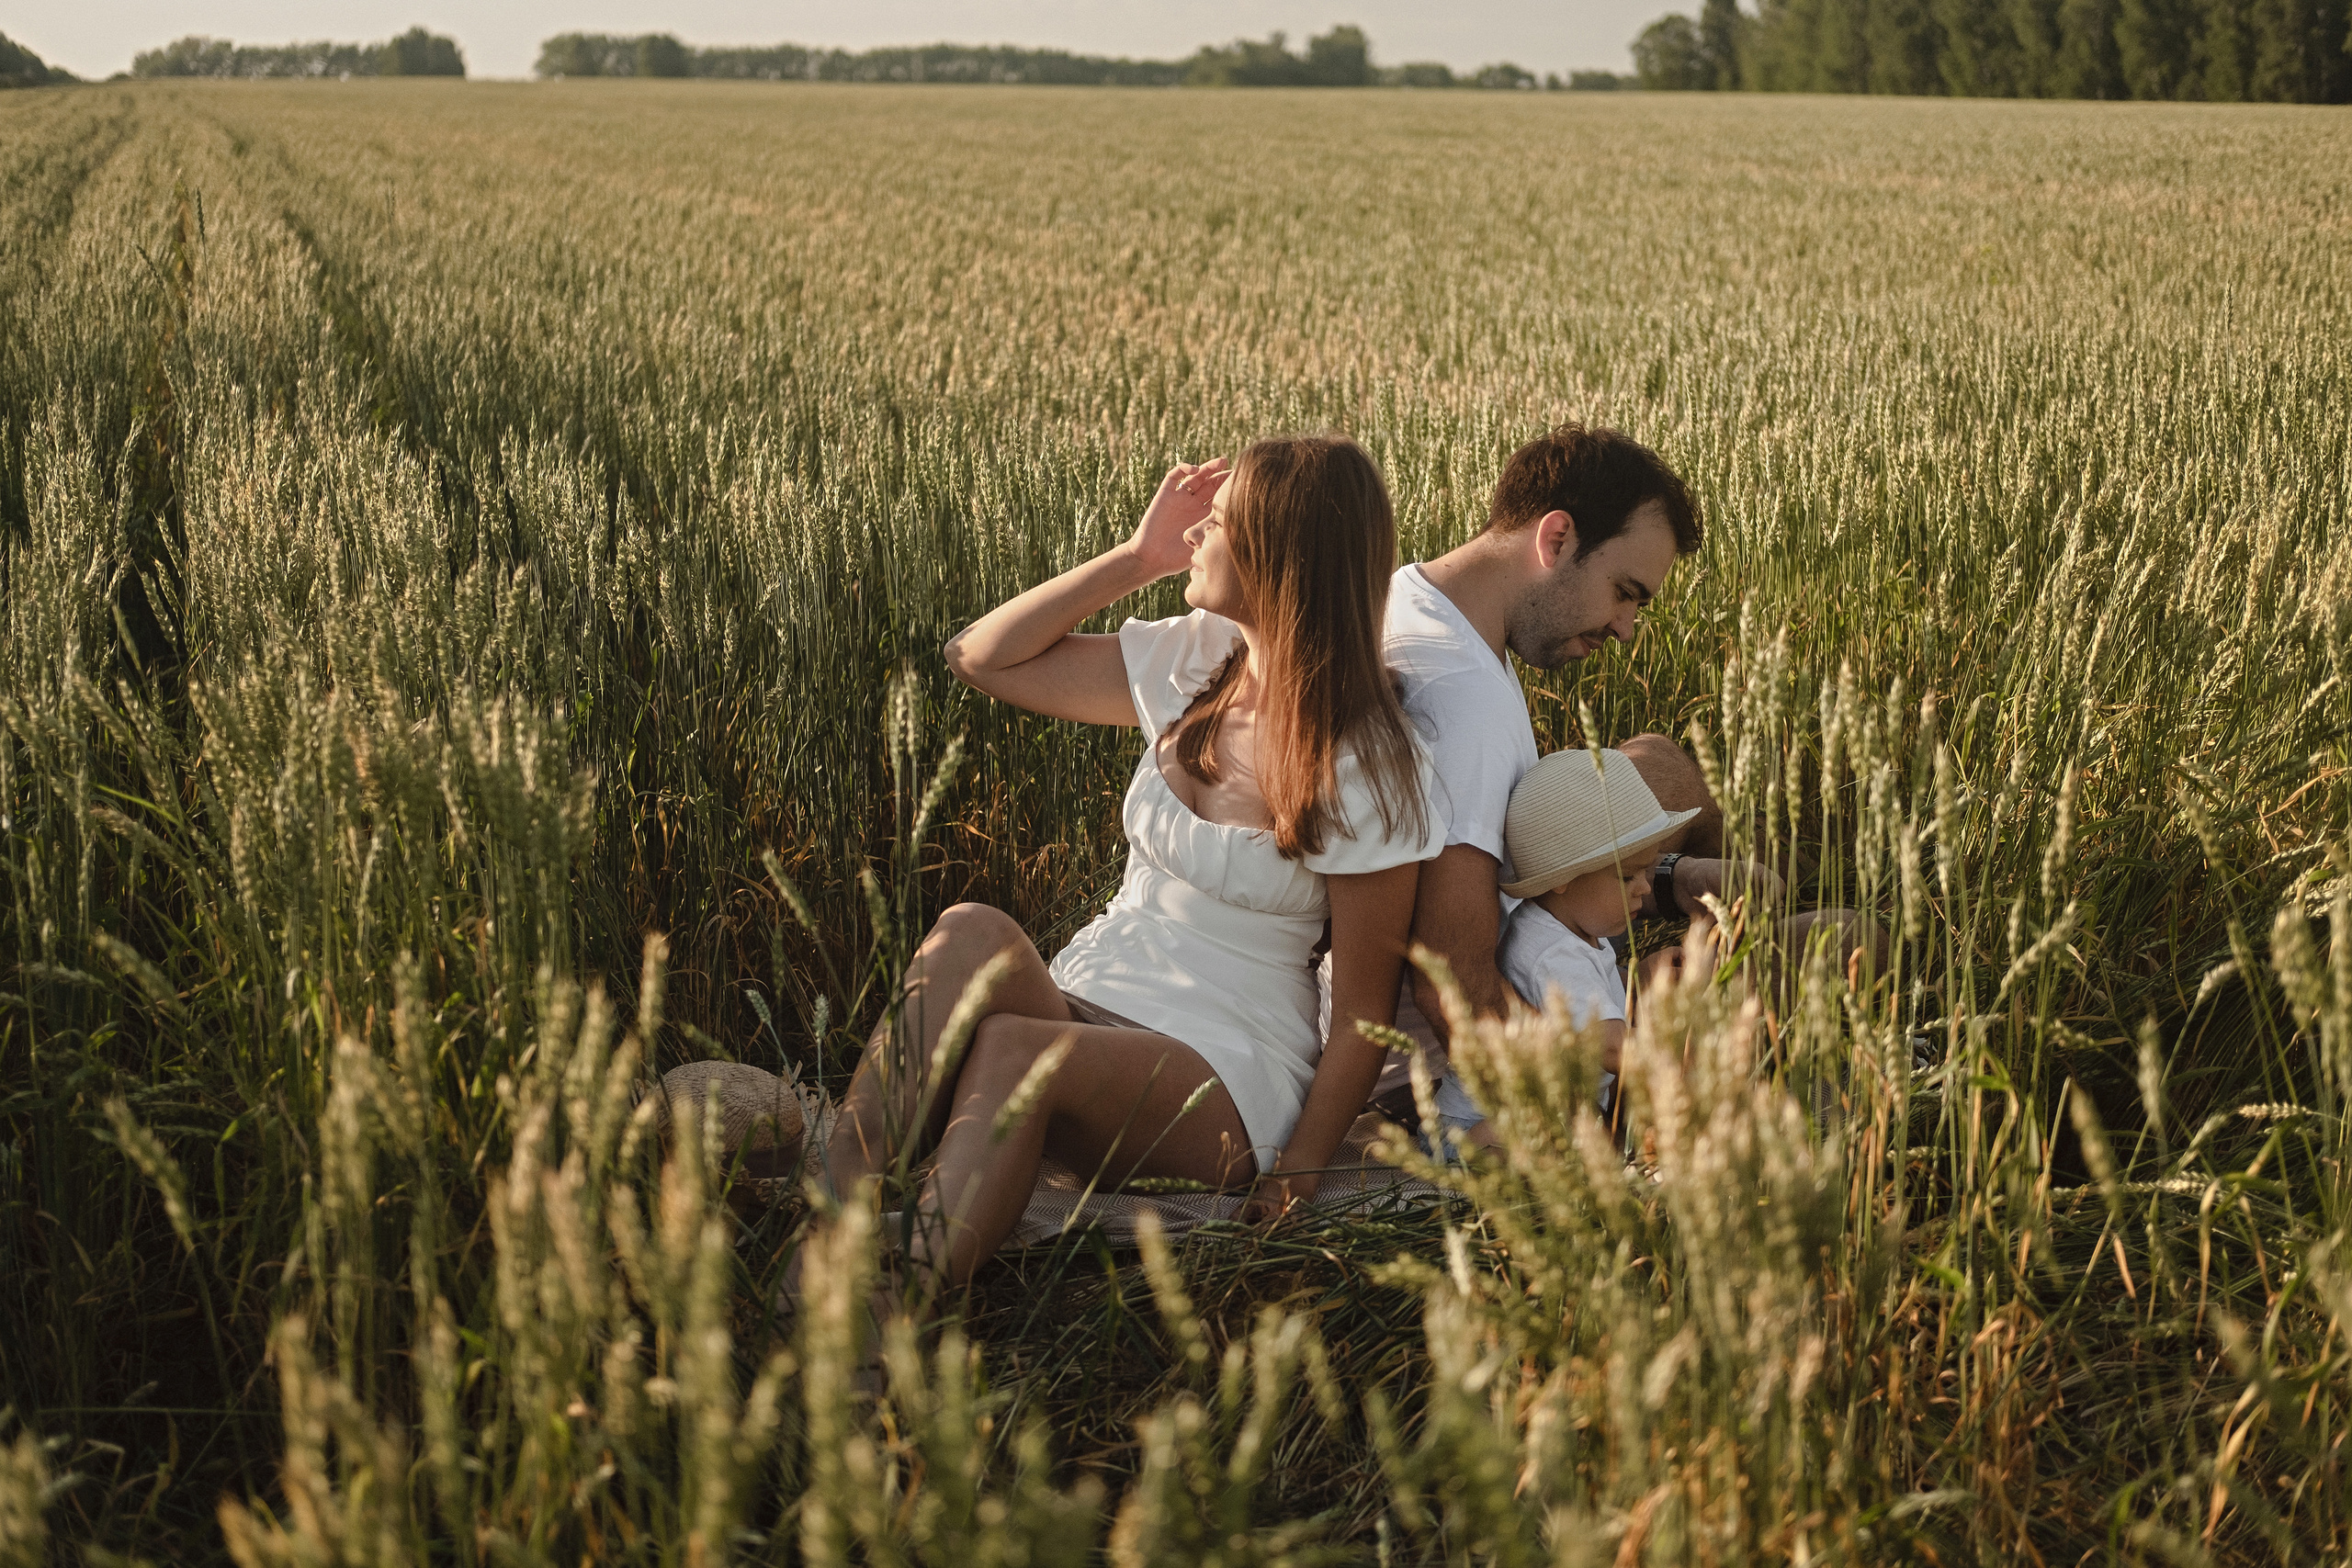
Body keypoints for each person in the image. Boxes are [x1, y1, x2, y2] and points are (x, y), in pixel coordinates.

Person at [817, 434, 1442, 1290]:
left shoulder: (1362, 759)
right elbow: (980, 657)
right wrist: (1134, 556)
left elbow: (1365, 1008)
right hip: (1094, 990)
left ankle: (893, 1313)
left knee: (1012, 1051)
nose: (1194, 536)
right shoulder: (1200, 661)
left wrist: (1298, 1171)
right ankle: (827, 1225)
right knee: (969, 929)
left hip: (1226, 1063)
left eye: (1213, 525)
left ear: (1274, 552)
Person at [1371, 424, 1763, 1092]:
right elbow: (1460, 996)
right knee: (1835, 948)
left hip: (1556, 912)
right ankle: (1759, 927)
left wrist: (1662, 874)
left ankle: (1716, 893)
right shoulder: (1462, 708)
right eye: (1625, 591)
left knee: (1663, 762)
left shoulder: (1408, 595)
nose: (1625, 627)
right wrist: (1644, 1079)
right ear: (1556, 539)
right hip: (1512, 1005)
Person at [1429, 749, 1697, 1151]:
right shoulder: (1552, 951)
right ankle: (1467, 1159)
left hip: (1537, 1108)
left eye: (1646, 870)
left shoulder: (1574, 928)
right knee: (1543, 1139)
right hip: (1476, 1122)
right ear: (1563, 880)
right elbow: (1607, 1044)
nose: (1644, 887)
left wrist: (1641, 979)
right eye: (1627, 876)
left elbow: (1588, 996)